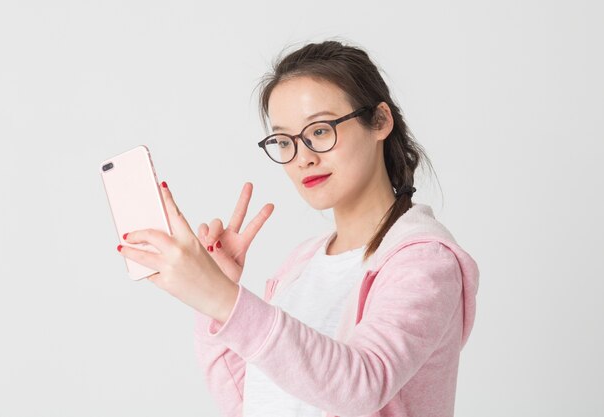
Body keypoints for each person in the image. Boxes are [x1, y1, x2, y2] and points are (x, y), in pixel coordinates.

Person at [117, 40, 480, 417]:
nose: (303, 157)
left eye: (320, 131)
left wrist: (221, 297)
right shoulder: (302, 264)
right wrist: (215, 304)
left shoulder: (424, 261)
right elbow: (254, 403)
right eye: (284, 140)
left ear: (380, 121)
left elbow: (362, 385)